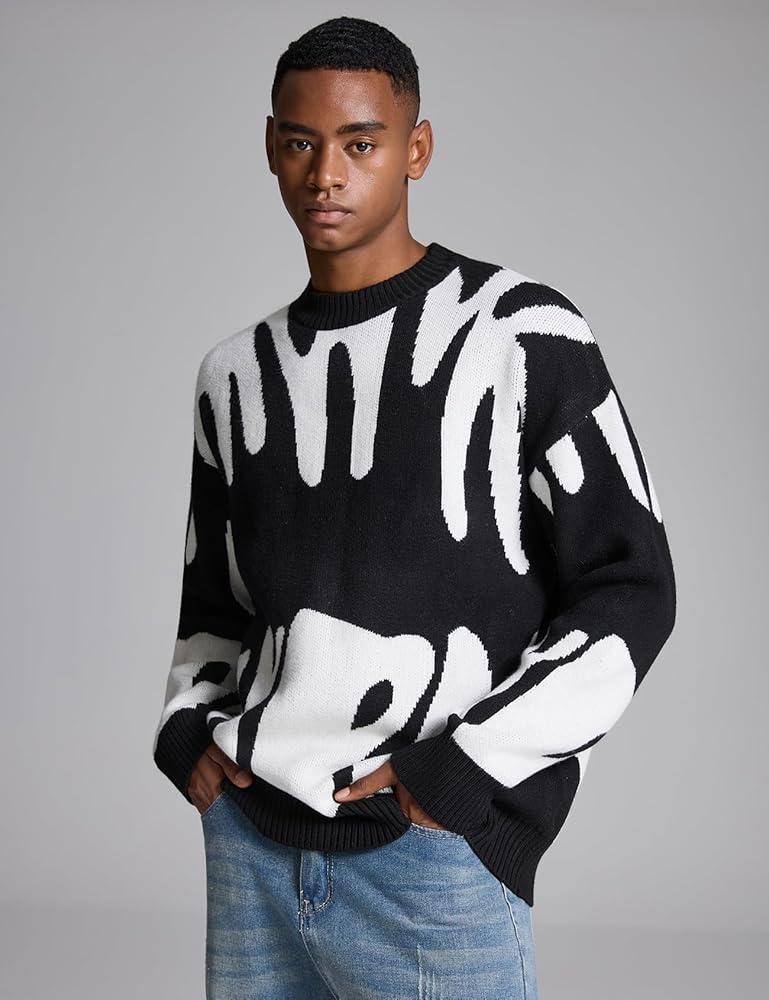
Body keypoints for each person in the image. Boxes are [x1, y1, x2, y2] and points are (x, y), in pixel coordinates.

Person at [151, 15, 677, 1000]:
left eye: (360, 144)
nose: (325, 175)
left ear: (416, 149)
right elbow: (212, 605)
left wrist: (467, 770)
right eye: (301, 143)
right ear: (270, 146)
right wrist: (188, 732)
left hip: (427, 857)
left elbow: (631, 588)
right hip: (252, 850)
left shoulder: (522, 332)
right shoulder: (235, 375)